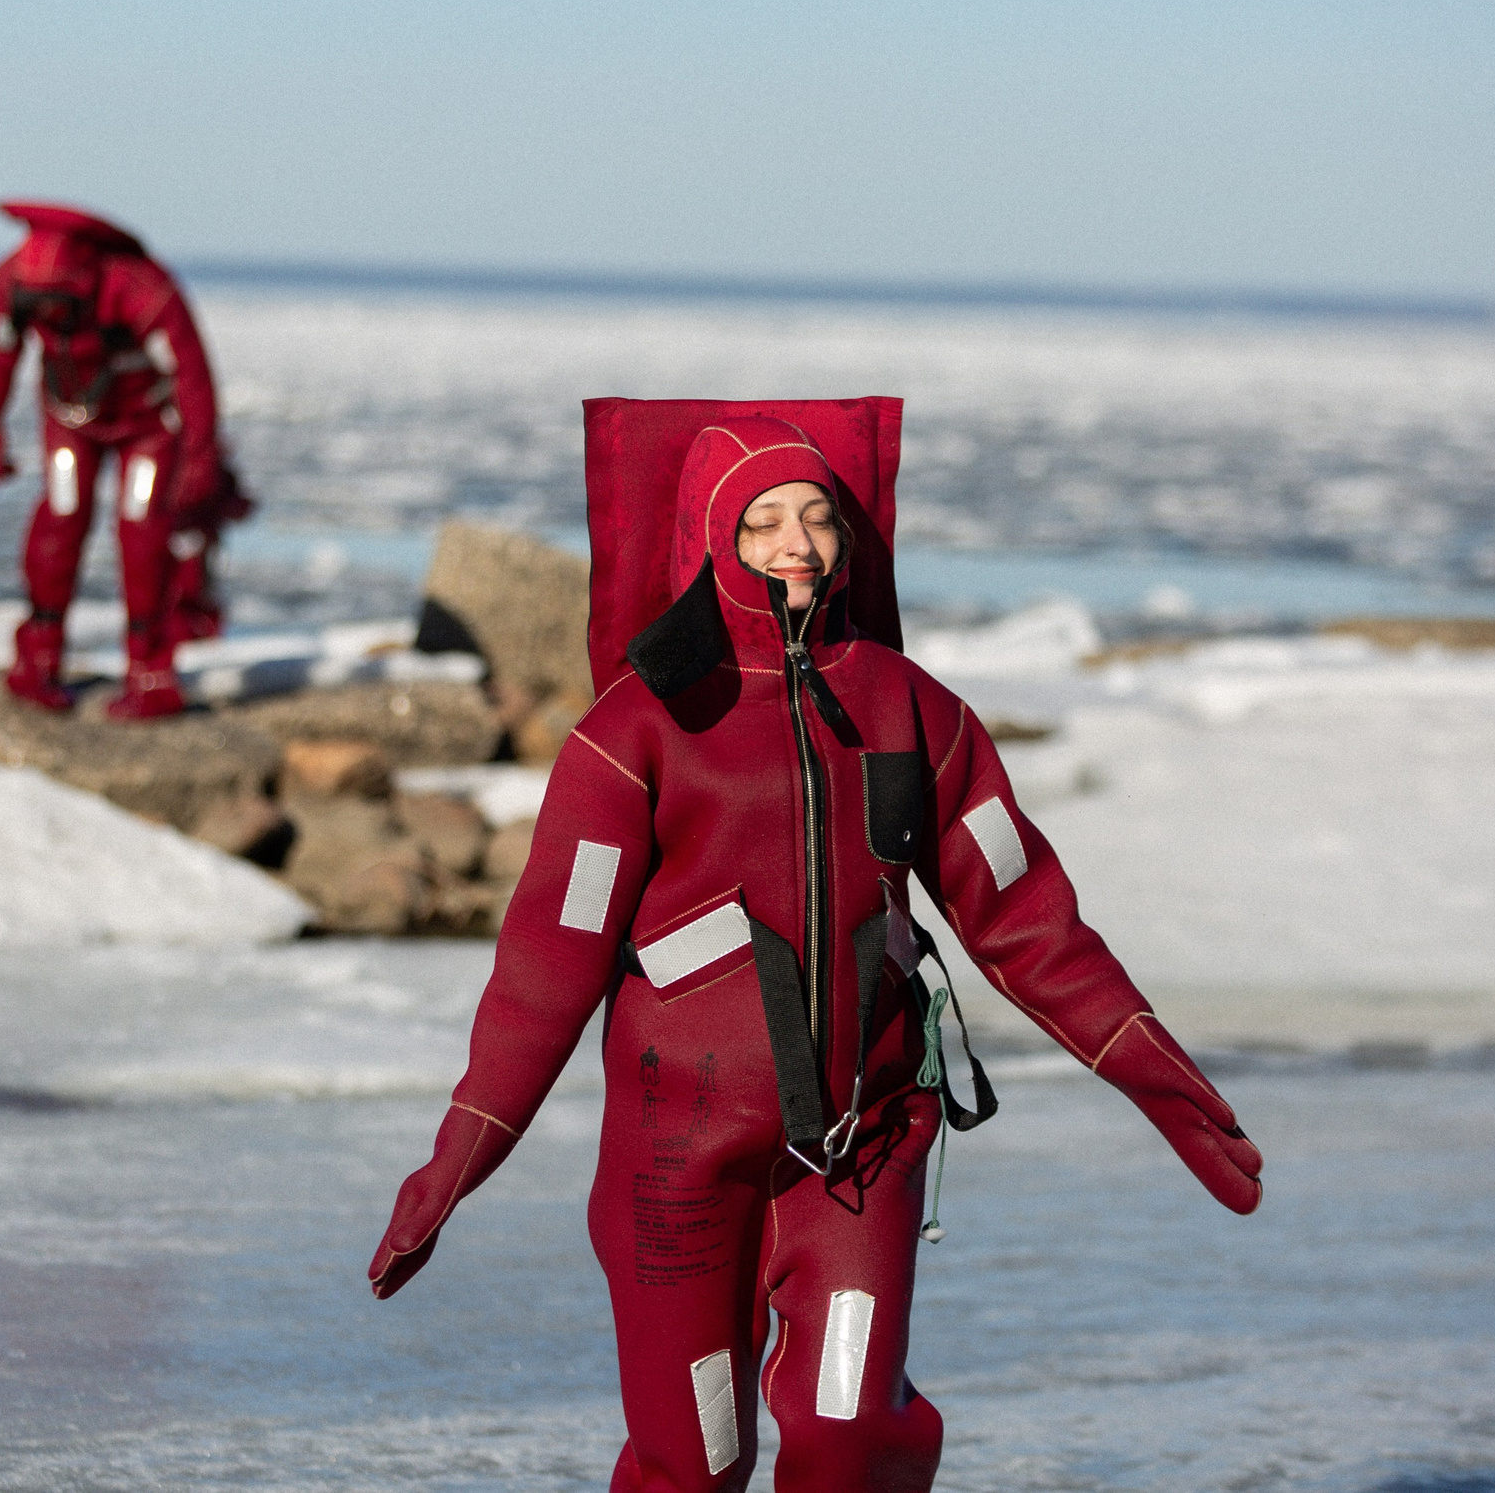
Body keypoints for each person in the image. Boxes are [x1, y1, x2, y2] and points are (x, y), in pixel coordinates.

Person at [369, 405, 1263, 1493]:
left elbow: (1027, 918)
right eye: (760, 523)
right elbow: (547, 968)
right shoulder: (636, 730)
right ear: (711, 542)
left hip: (863, 1143)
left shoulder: (913, 712)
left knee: (846, 1427)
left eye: (818, 517)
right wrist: (462, 1155)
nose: (796, 544)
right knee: (696, 1456)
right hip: (676, 1159)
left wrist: (1152, 1070)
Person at [0, 201, 239, 719]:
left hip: (149, 429)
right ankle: (39, 656)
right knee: (61, 520)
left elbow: (191, 374)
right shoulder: (12, 282)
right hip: (70, 419)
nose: (49, 320)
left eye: (59, 311)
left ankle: (151, 670)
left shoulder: (141, 288)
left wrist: (199, 458)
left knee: (143, 532)